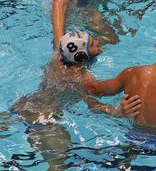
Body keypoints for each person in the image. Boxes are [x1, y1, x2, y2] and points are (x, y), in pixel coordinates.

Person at [12, 32, 140, 170]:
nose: (97, 42)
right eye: (92, 44)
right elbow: (94, 106)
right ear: (81, 56)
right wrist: (117, 111)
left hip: (21, 106)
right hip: (45, 120)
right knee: (58, 163)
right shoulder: (81, 77)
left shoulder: (57, 58)